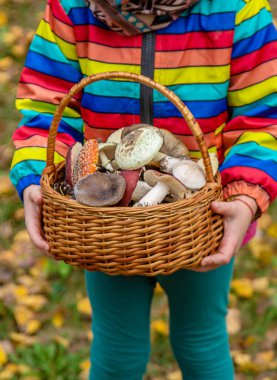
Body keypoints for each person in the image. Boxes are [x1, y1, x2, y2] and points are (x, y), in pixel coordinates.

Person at [10, 0, 277, 379]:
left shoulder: (238, 11)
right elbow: (45, 107)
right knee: (118, 348)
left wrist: (246, 196)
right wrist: (37, 176)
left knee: (200, 340)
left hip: (201, 221)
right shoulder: (73, 10)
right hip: (105, 222)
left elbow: (264, 118)